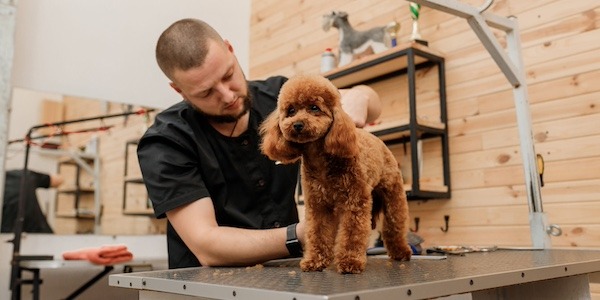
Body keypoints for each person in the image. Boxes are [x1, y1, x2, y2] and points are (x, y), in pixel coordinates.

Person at [137, 18, 382, 269]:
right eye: (206, 92)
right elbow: (208, 246)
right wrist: (309, 231)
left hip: (286, 278)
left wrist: (360, 96)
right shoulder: (164, 143)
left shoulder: (280, 98)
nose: (228, 95)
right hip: (205, 288)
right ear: (179, 90)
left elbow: (372, 105)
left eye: (228, 75)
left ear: (230, 50)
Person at [1, 169, 64, 233]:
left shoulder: (25, 176)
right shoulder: (24, 175)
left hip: (8, 240)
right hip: (44, 238)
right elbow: (58, 180)